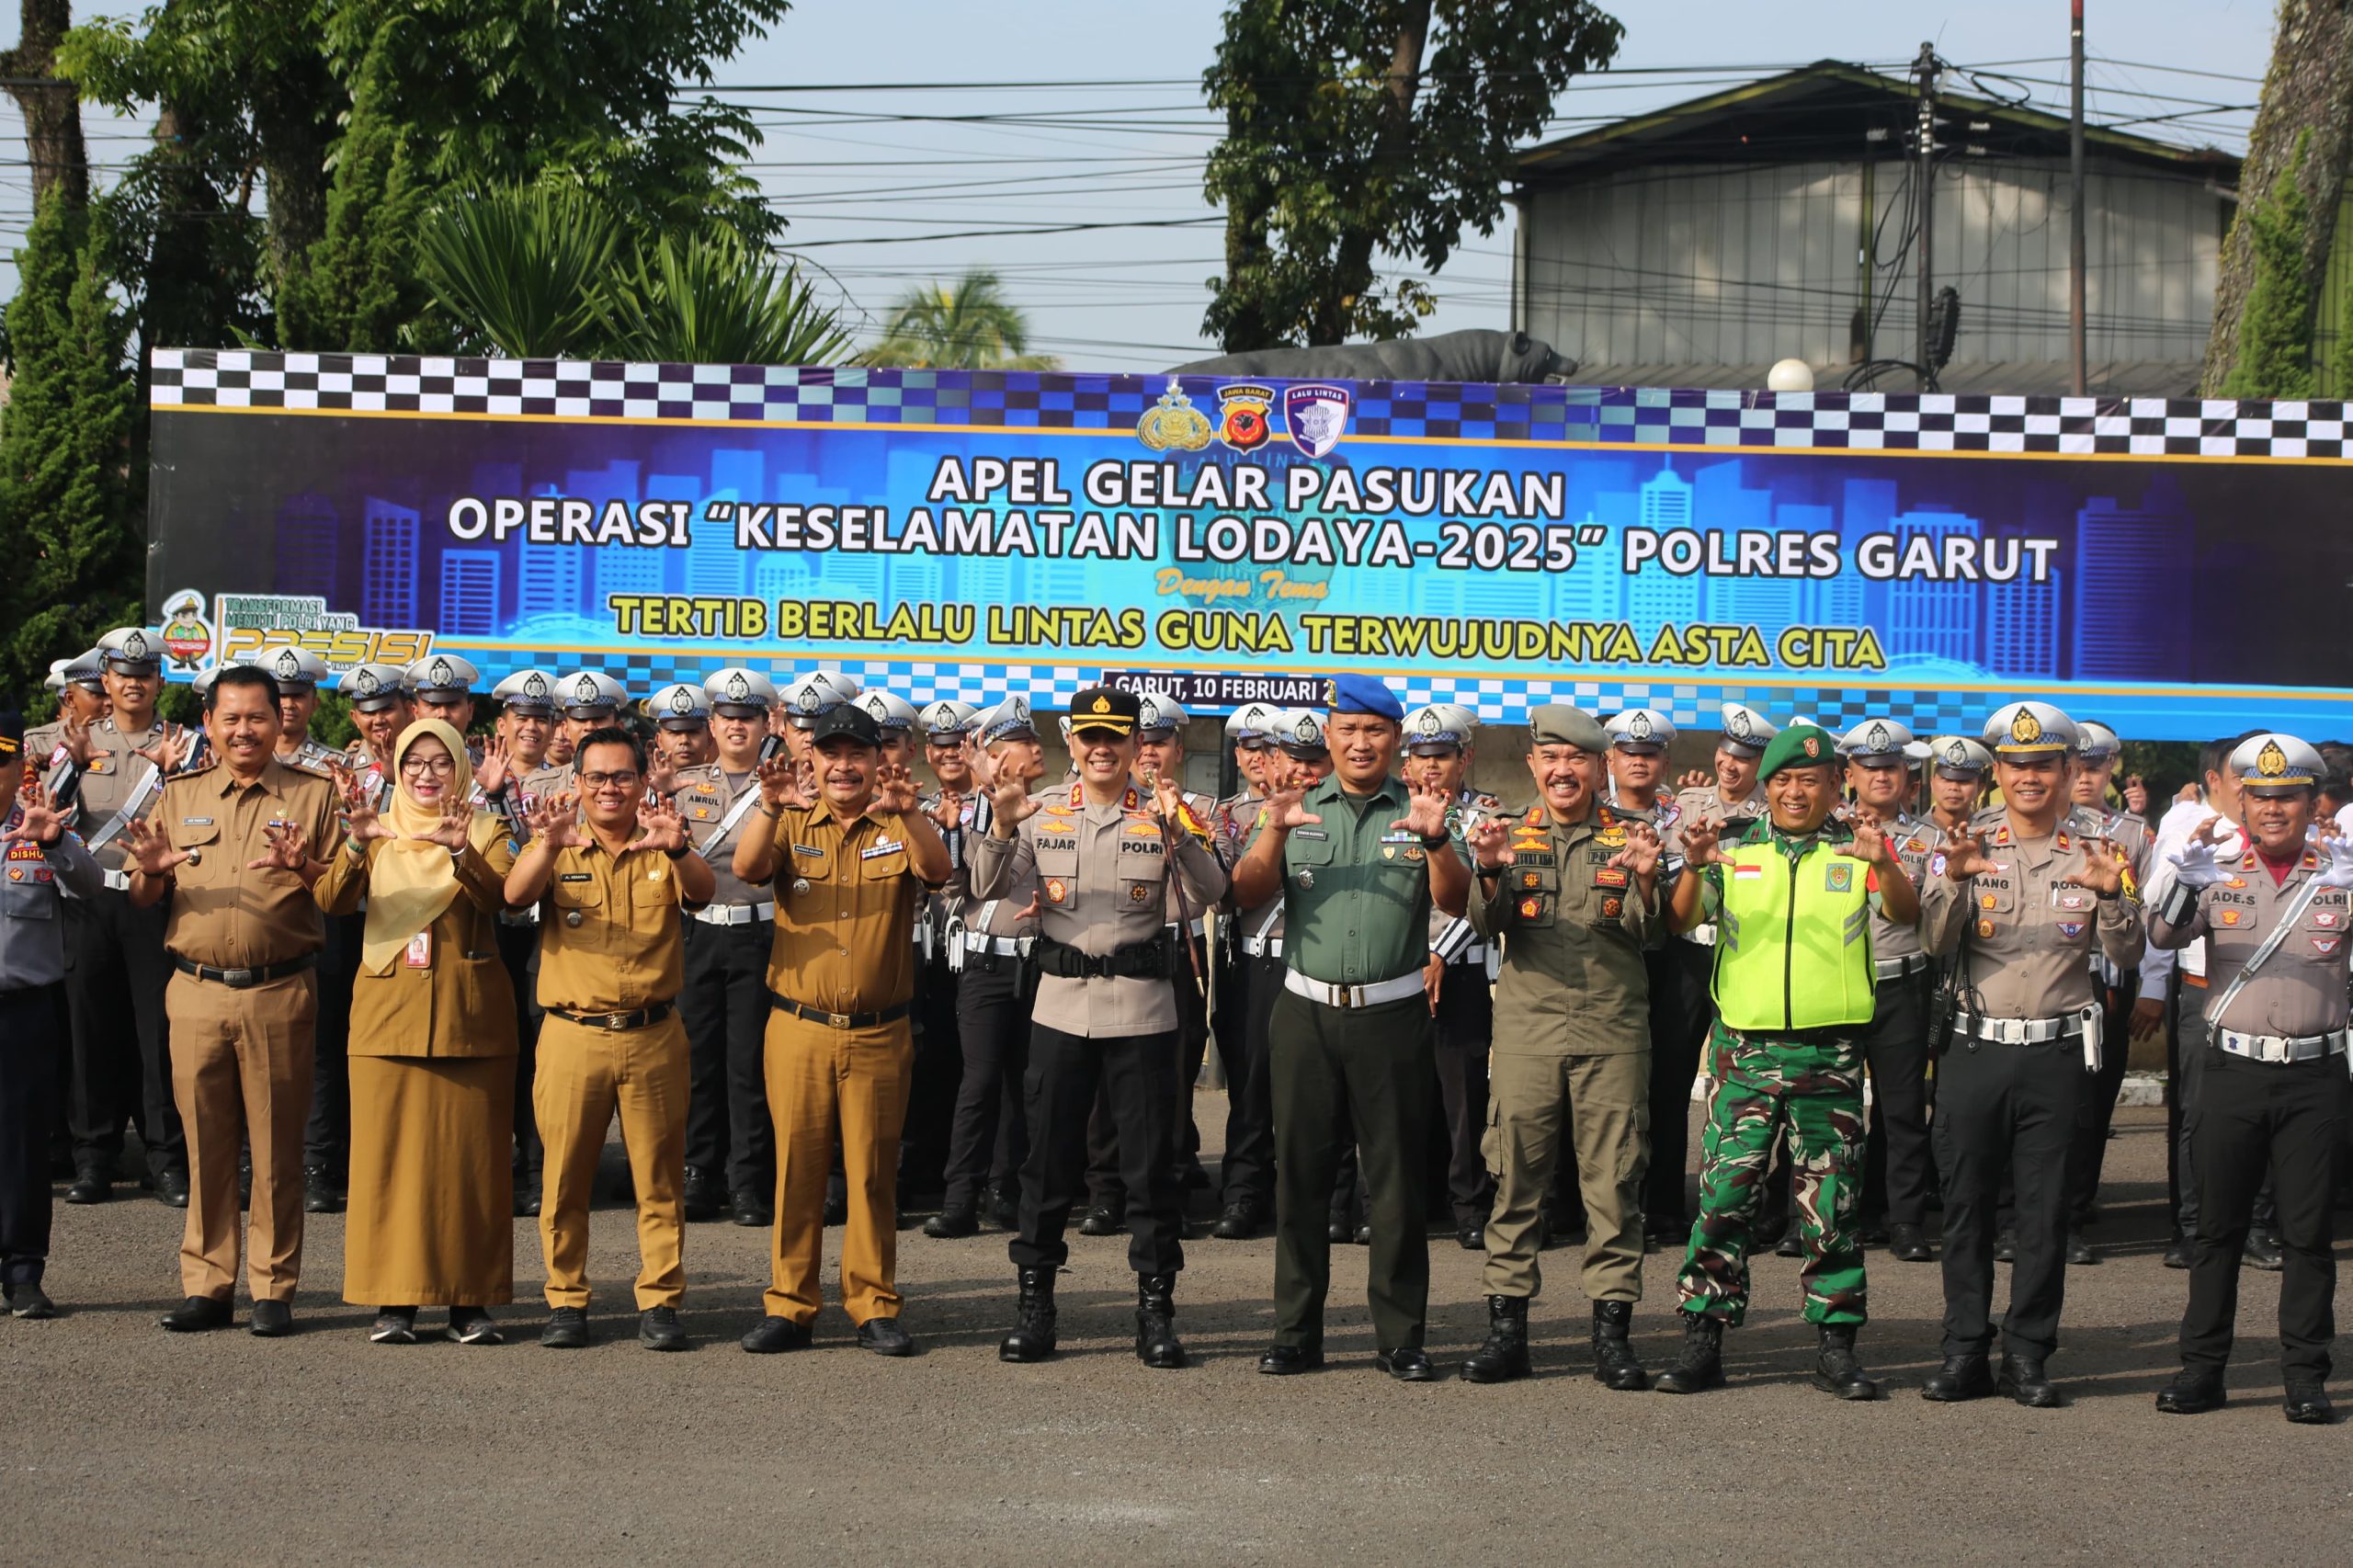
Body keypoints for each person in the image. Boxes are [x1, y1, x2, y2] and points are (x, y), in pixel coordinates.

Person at [1654, 723, 1928, 1400]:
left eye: (1811, 780)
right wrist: (1693, 864)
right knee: (1723, 1199)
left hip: (1829, 1054)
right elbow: (1680, 921)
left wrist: (1884, 862)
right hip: (1744, 1051)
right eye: (1783, 780)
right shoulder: (1736, 847)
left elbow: (1906, 912)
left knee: (1830, 1207)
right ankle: (1703, 1338)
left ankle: (1835, 1348)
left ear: (1836, 785)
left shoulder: (1855, 847)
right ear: (1766, 786)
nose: (1796, 791)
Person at [976, 687, 1228, 1369]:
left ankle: (1155, 1312)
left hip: (1143, 1011)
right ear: (1072, 742)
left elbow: (1213, 894)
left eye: (1114, 736)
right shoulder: (1040, 813)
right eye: (1088, 736)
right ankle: (1036, 1307)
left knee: (1149, 1173)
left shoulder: (1163, 816)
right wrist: (1000, 826)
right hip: (1060, 1010)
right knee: (1047, 1168)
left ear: (1131, 742)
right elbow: (986, 887)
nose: (1101, 748)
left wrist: (1181, 830)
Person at [1229, 674, 1467, 1381]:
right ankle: (1295, 1332)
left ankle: (1401, 1337)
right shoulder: (1295, 808)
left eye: (1375, 732)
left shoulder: (1419, 810)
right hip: (1304, 1014)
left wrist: (1437, 841)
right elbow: (1245, 892)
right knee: (1298, 1177)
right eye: (1348, 730)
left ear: (1395, 742)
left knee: (1394, 1183)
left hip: (1392, 1016)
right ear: (1329, 738)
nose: (1361, 743)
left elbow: (1454, 902)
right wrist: (1272, 829)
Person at [1915, 702, 2143, 1408]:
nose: (2029, 777)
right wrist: (1954, 881)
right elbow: (1931, 942)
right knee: (1966, 1207)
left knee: (2043, 1213)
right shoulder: (1963, 843)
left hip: (2055, 1053)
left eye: (2044, 764)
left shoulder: (2100, 852)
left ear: (2071, 771)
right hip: (1975, 1049)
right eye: (2015, 765)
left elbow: (2128, 954)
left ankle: (2028, 1353)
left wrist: (2112, 898)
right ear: (1997, 774)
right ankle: (1963, 1351)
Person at [119, 664, 344, 1335]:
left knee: (277, 1146)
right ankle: (208, 1285)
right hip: (195, 992)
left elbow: (342, 894)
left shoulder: (314, 795)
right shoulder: (178, 793)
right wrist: (153, 875)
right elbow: (140, 892)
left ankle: (273, 1287)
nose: (244, 730)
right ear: (209, 726)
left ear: (282, 722)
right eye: (231, 718)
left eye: (257, 717)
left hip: (279, 990)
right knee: (206, 1145)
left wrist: (302, 865)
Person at [1457, 704, 1664, 1387]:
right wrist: (1487, 871)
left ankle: (1612, 1337)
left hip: (1613, 1034)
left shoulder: (1633, 837)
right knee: (1515, 1182)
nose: (1563, 770)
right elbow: (1485, 925)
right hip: (1527, 1036)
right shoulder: (1507, 836)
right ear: (1534, 767)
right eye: (1550, 759)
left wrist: (1644, 878)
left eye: (1576, 759)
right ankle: (1507, 1332)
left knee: (1614, 1187)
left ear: (1597, 767)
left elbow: (1649, 933)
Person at [733, 703, 948, 1357]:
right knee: (796, 1169)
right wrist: (769, 804)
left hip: (879, 1032)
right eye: (833, 753)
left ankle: (873, 1304)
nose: (845, 765)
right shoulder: (788, 818)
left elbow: (937, 872)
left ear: (878, 760)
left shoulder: (902, 819)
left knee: (872, 1174)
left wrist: (909, 811)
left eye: (858, 753)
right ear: (814, 761)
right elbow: (745, 870)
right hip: (798, 1026)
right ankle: (791, 1305)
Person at [2148, 733, 2347, 1424]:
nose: (2270, 809)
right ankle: (2202, 1371)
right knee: (2218, 1229)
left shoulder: (2338, 872)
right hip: (2232, 1068)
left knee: (2307, 1233)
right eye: (2258, 796)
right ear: (2240, 799)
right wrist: (2183, 878)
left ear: (2312, 802)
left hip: (2315, 1075)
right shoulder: (2218, 866)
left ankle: (2305, 1376)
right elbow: (2161, 936)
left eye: (2286, 796)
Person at [505, 725, 712, 1350]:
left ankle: (660, 1301)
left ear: (643, 781)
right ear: (578, 783)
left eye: (622, 776)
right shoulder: (557, 844)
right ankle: (566, 1300)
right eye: (596, 777)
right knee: (565, 1178)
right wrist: (545, 845)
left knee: (660, 1178)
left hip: (653, 1034)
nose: (609, 788)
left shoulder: (664, 842)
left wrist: (676, 849)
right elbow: (514, 897)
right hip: (574, 1035)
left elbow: (703, 893)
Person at [313, 719, 518, 1345]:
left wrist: (460, 851)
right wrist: (353, 845)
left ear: (460, 767)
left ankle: (469, 1303)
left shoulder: (488, 830)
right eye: (414, 764)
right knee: (387, 1165)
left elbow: (501, 898)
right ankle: (393, 1303)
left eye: (440, 762)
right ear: (397, 772)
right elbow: (330, 901)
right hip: (386, 1018)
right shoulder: (374, 830)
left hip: (469, 1017)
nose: (426, 776)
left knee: (471, 1168)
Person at [1077, 690, 1220, 1232]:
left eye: (1161, 743)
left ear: (1175, 750)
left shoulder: (1192, 809)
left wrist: (1175, 820)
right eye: (1144, 743)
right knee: (1104, 1085)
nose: (1150, 755)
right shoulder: (1096, 802)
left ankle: (1170, 1185)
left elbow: (1208, 888)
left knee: (1171, 1078)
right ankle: (1104, 1190)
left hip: (1172, 949)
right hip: (1110, 953)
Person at [62, 627, 188, 1208]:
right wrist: (71, 760)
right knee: (92, 1031)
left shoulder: (184, 744)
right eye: (122, 674)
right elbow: (53, 817)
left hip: (152, 898)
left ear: (159, 682)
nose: (134, 683)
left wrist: (172, 770)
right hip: (88, 900)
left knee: (156, 1033)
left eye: (145, 675)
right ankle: (94, 1159)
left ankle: (165, 1159)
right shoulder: (76, 740)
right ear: (105, 681)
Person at [1647, 701, 1778, 1245]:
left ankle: (1751, 1209)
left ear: (1760, 766)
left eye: (1745, 759)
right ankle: (1662, 1208)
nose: (1731, 766)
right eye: (1726, 753)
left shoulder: (1773, 813)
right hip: (1684, 954)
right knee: (1669, 1083)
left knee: (1750, 1086)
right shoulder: (1682, 803)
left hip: (1740, 955)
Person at [923, 697, 1042, 1238]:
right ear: (994, 756)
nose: (1038, 749)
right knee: (979, 1081)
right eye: (1024, 743)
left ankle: (1006, 1189)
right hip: (984, 962)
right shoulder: (963, 812)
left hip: (1038, 963)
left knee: (1027, 1084)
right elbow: (954, 886)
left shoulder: (1055, 805)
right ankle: (960, 1196)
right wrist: (965, 825)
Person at [669, 668, 782, 1229]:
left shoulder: (785, 787)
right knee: (696, 1061)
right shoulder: (682, 785)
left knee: (748, 1063)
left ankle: (748, 1181)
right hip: (698, 931)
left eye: (748, 718)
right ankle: (698, 1173)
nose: (737, 727)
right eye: (728, 718)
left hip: (760, 933)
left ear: (767, 724)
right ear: (712, 725)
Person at [1, 717, 103, 1318]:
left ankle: (22, 1271)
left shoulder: (39, 826)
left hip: (23, 1012)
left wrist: (57, 844)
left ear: (19, 768)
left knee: (21, 1146)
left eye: (2, 762)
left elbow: (90, 885)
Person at [312, 661, 415, 1216]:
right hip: (346, 918)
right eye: (369, 714)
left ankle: (383, 1160)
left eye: (389, 711)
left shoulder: (433, 768)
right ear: (355, 717)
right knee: (330, 1045)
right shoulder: (336, 772)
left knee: (393, 1047)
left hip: (406, 923)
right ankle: (323, 1164)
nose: (381, 723)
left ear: (407, 709)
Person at [1836, 719, 1940, 1264]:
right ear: (1849, 773)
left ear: (1907, 775)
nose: (1880, 777)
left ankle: (1904, 1219)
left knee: (1902, 1110)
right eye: (1869, 768)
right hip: (1837, 985)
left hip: (1902, 982)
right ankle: (1828, 1214)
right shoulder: (1827, 833)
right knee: (1830, 1107)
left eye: (1890, 767)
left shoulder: (1931, 841)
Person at [1403, 703, 1505, 1249]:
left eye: (1442, 755)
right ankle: (1404, 1203)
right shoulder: (1390, 811)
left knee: (1464, 1098)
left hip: (1460, 972)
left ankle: (1468, 1206)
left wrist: (1439, 953)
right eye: (1422, 757)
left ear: (1463, 759)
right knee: (1401, 1096)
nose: (1432, 767)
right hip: (1398, 976)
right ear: (1407, 764)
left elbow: (1483, 897)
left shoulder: (1486, 815)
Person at [2062, 720, 2153, 1263]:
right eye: (2080, 767)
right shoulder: (2045, 824)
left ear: (2110, 768)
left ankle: (2077, 1204)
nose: (2087, 778)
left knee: (2094, 1103)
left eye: (2098, 767)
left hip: (2109, 980)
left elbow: (2140, 914)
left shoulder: (2133, 832)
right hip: (2056, 974)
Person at [480, 668, 560, 1216]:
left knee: (537, 1055)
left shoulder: (571, 782)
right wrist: (488, 796)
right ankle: (488, 1165)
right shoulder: (471, 776)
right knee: (489, 1050)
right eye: (521, 718)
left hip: (547, 933)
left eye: (540, 719)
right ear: (502, 724)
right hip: (487, 933)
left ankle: (535, 1170)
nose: (530, 728)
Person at [1208, 701, 1279, 1240]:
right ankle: (1244, 1192)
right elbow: (1223, 889)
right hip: (1245, 961)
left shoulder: (1317, 804)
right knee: (1249, 1087)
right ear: (1237, 753)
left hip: (1301, 961)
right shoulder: (1222, 814)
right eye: (1250, 748)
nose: (1260, 757)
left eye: (1268, 748)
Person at [404, 654, 483, 741]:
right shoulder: (400, 755)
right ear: (416, 713)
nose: (443, 714)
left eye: (452, 704)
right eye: (433, 705)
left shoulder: (484, 755)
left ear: (470, 711)